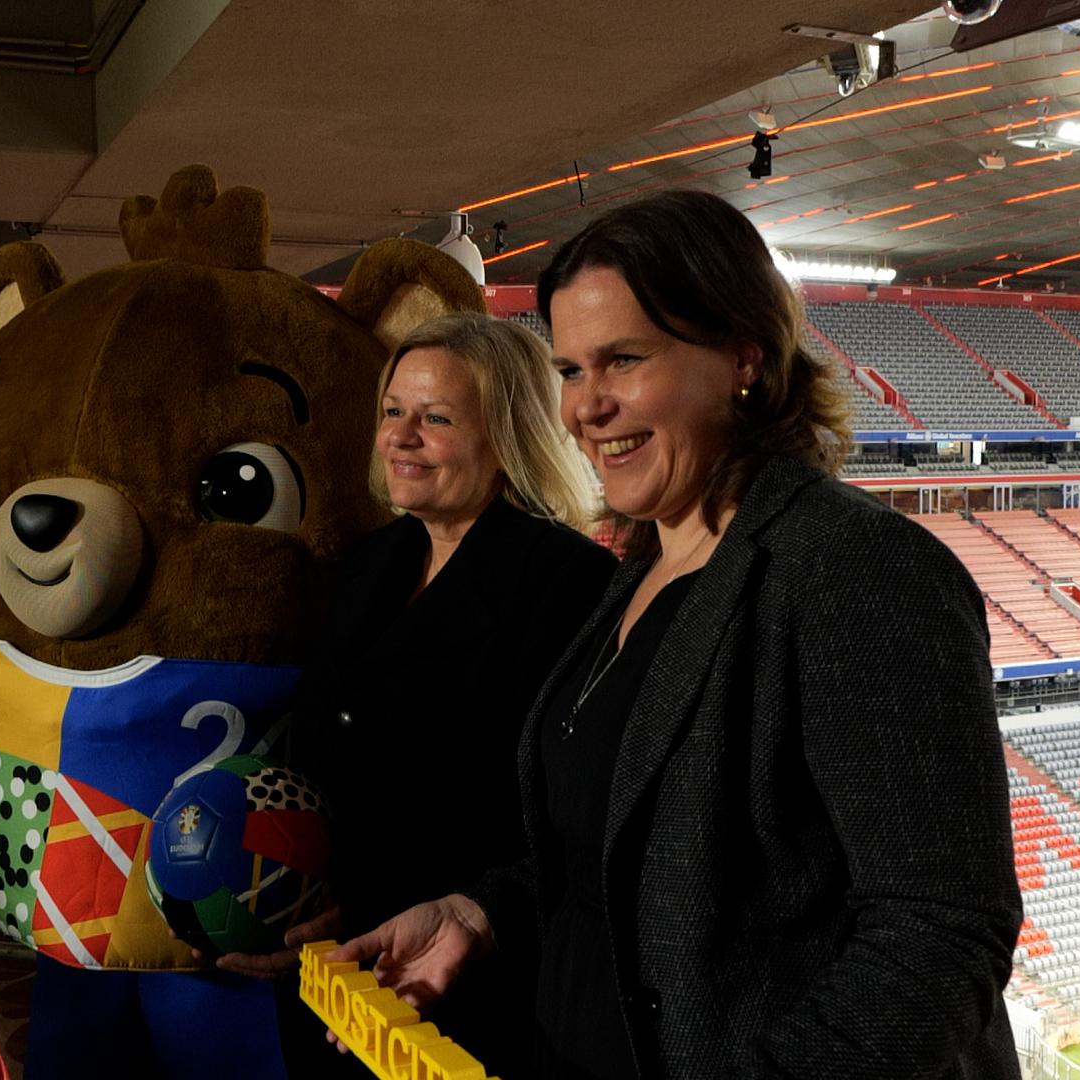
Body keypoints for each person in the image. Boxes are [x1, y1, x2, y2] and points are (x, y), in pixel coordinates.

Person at [333, 192, 1021, 1078]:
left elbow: (940, 935)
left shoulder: (857, 570)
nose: (588, 407)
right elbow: (611, 858)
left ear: (743, 353)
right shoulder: (637, 564)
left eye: (624, 360)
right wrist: (479, 913)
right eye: (571, 371)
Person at [245, 313, 615, 1078]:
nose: (401, 437)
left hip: (464, 998)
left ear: (507, 437)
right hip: (335, 984)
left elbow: (567, 821)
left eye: (436, 418)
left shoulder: (569, 584)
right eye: (393, 412)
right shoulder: (369, 562)